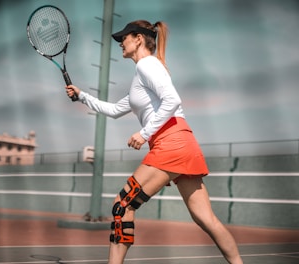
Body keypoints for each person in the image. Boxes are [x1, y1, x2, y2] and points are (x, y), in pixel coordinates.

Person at [66, 20, 243, 264]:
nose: (120, 43)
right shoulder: (144, 73)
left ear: (138, 38)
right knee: (206, 219)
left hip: (170, 143)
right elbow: (116, 109)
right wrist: (82, 96)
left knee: (122, 206)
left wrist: (144, 133)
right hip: (183, 142)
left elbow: (172, 100)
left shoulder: (147, 65)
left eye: (123, 38)